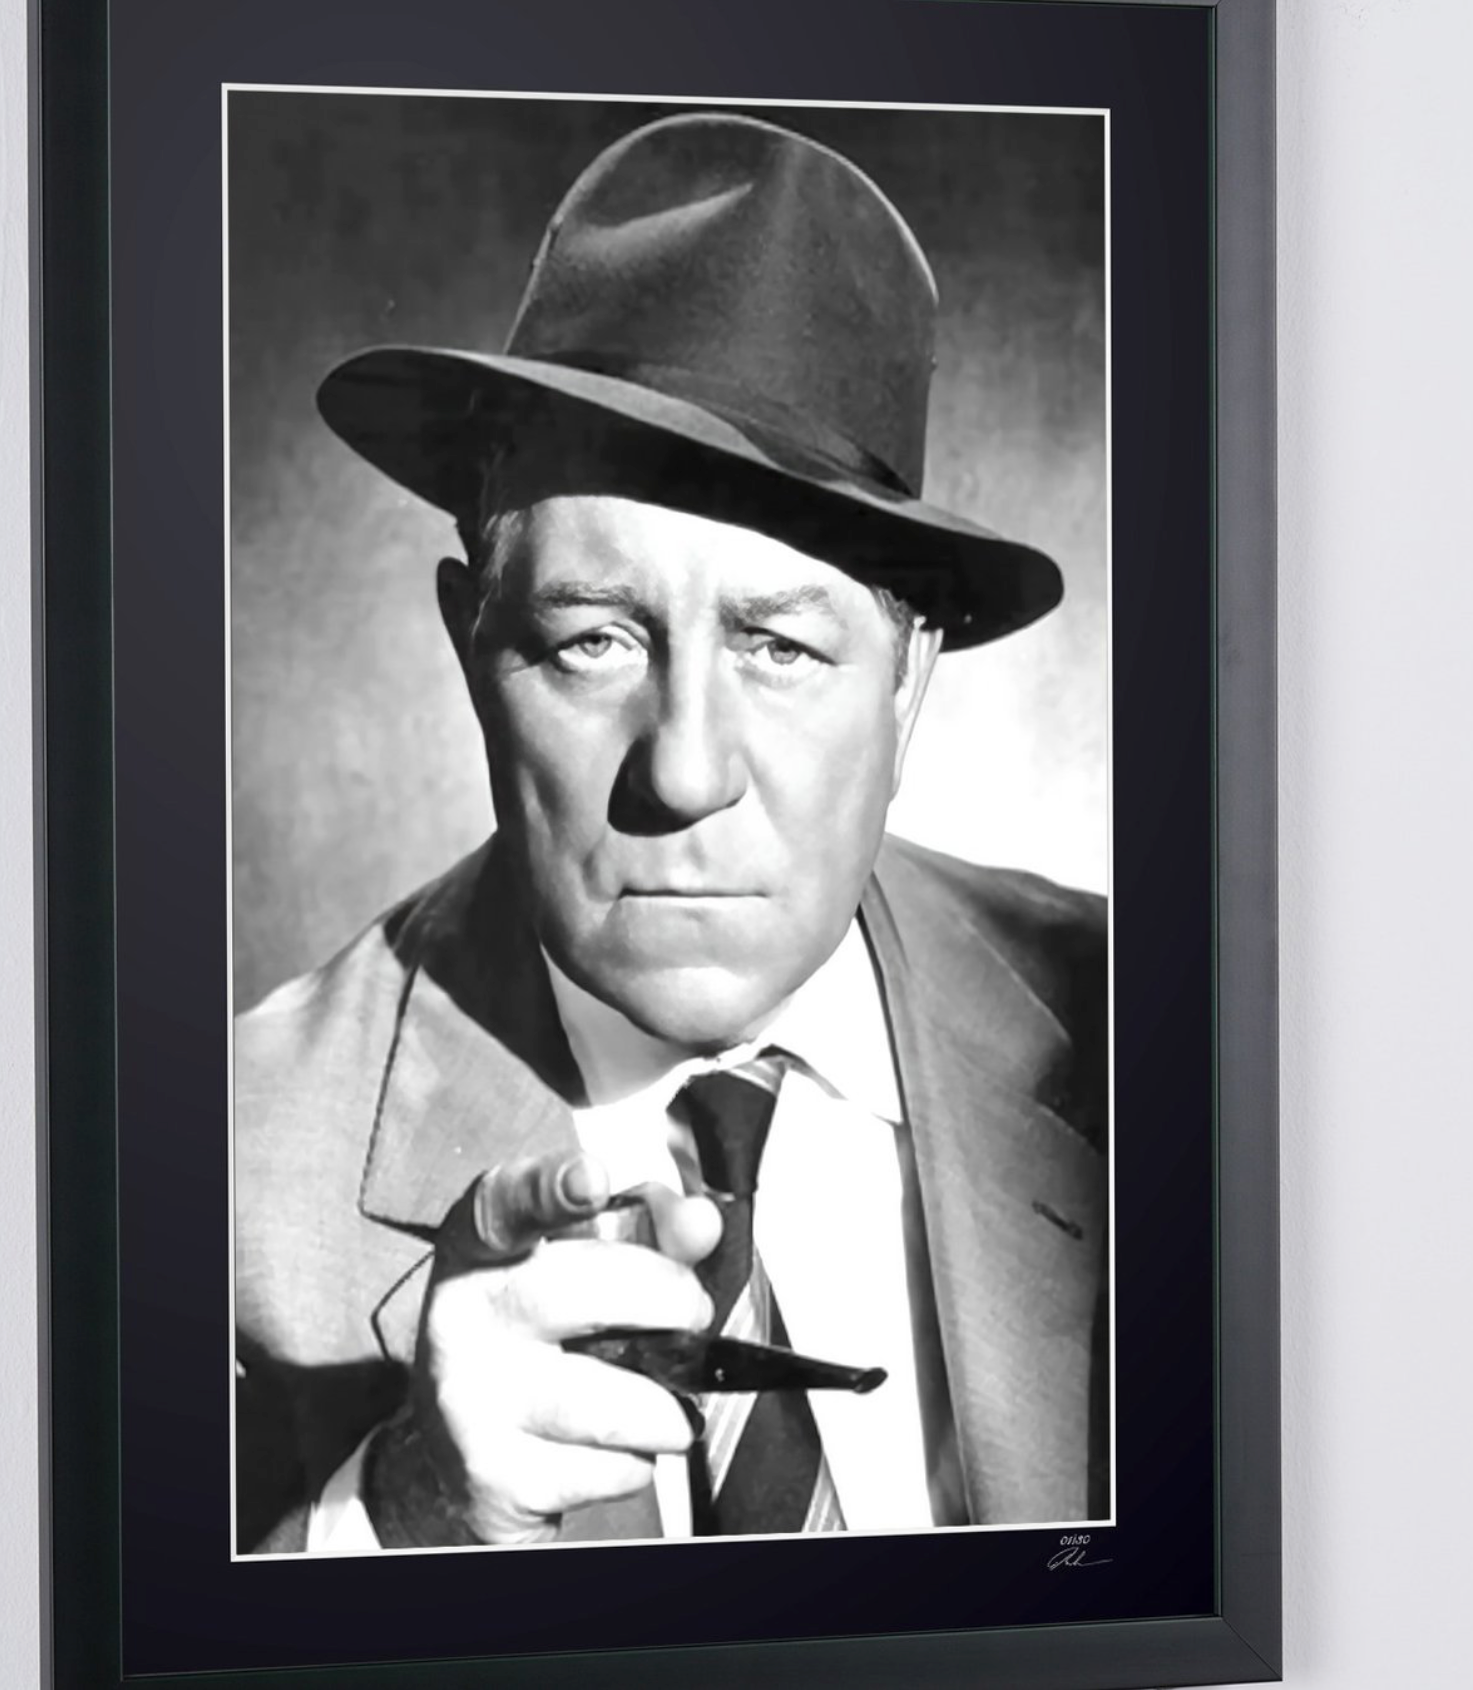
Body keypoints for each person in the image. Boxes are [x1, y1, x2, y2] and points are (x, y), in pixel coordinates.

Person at [234, 111, 1107, 1554]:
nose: (688, 772)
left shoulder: (1178, 1043)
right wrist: (403, 1515)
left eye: (780, 647)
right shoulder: (208, 1175)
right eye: (592, 641)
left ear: (908, 685)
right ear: (471, 650)